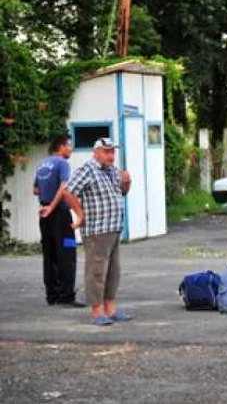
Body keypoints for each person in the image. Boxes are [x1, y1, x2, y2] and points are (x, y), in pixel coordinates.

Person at [63, 138, 132, 326]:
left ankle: (110, 309)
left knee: (113, 272)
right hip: (97, 230)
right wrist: (79, 213)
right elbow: (68, 191)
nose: (111, 155)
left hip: (114, 228)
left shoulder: (111, 171)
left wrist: (127, 182)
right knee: (96, 271)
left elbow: (121, 192)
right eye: (106, 152)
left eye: (112, 152)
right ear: (96, 153)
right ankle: (96, 312)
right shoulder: (88, 169)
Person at [33, 135, 84, 307]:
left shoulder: (42, 164)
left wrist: (46, 204)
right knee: (68, 252)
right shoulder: (62, 163)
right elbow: (64, 188)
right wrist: (53, 206)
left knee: (50, 255)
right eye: (69, 146)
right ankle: (67, 296)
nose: (71, 149)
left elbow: (35, 189)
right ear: (61, 146)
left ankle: (52, 295)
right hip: (60, 215)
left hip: (45, 216)